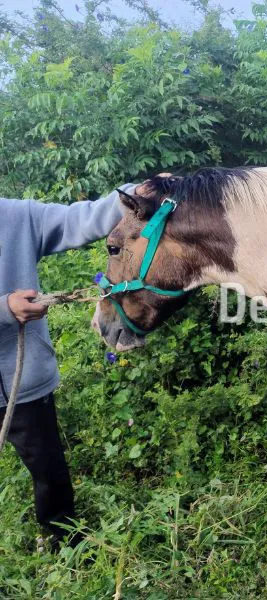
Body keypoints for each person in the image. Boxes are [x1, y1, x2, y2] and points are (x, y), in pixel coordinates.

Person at [0, 182, 142, 548]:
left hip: (23, 380)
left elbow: (81, 219)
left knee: (49, 471)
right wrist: (5, 310)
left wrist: (139, 190)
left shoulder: (16, 216)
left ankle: (65, 544)